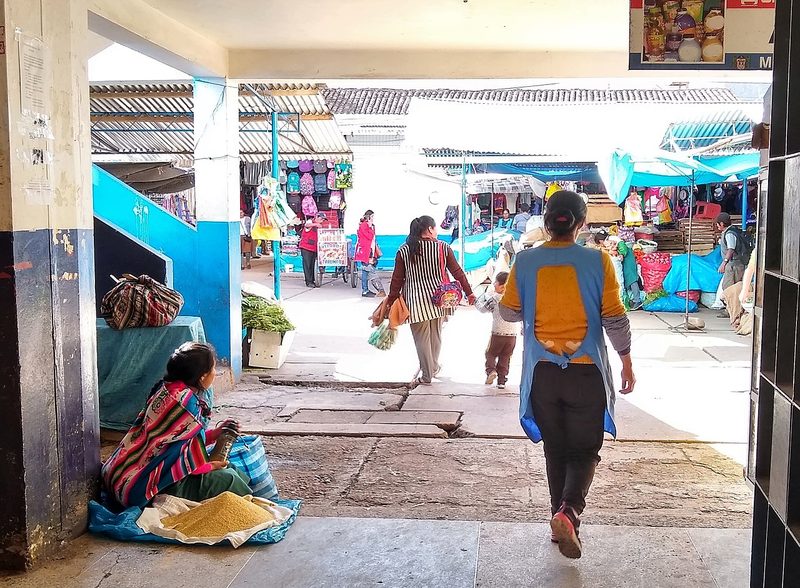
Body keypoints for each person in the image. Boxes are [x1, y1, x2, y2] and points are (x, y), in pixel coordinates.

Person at [499, 191, 635, 560]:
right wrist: (626, 360)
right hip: (586, 373)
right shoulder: (598, 260)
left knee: (555, 449)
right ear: (581, 223)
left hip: (542, 373)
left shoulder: (525, 261)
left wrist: (533, 301)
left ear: (546, 223)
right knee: (584, 449)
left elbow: (508, 313)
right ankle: (569, 512)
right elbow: (614, 318)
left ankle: (557, 520)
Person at [101, 343, 250, 508]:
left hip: (120, 474)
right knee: (230, 479)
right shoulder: (188, 406)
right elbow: (186, 463)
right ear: (202, 376)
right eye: (213, 368)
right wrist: (210, 466)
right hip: (142, 490)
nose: (215, 373)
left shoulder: (167, 389)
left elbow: (176, 444)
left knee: (231, 468)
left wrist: (216, 433)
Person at [387, 216, 476, 385]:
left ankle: (427, 375)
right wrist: (469, 292)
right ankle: (432, 367)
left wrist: (391, 300)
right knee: (436, 335)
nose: (437, 231)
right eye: (435, 228)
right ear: (429, 229)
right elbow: (457, 272)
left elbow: (397, 279)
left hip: (414, 301)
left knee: (422, 338)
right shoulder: (443, 247)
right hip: (440, 298)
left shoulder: (404, 250)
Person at [476, 271, 517, 389]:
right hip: (512, 335)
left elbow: (482, 309)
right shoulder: (514, 299)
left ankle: (491, 371)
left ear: (502, 286)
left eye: (496, 282)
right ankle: (501, 381)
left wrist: (476, 301)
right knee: (505, 357)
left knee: (490, 353)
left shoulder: (494, 299)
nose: (493, 284)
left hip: (497, 334)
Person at [716, 212, 751, 316]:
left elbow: (731, 249)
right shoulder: (732, 231)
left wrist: (724, 263)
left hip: (734, 265)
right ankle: (733, 310)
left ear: (722, 224)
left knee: (729, 288)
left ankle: (731, 311)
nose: (717, 226)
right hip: (736, 264)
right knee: (732, 288)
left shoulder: (730, 234)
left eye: (717, 224)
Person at [355, 210, 380, 298]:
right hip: (365, 251)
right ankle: (365, 290)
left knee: (366, 270)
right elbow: (369, 236)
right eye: (372, 217)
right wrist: (370, 228)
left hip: (368, 250)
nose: (373, 219)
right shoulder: (364, 225)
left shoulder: (369, 225)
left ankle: (366, 289)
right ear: (368, 217)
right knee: (365, 270)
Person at [299, 212, 326, 288]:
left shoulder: (319, 227)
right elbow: (306, 225)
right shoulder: (310, 221)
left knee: (312, 265)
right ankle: (309, 281)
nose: (322, 221)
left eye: (323, 220)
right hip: (306, 247)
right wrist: (315, 224)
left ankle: (313, 280)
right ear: (317, 217)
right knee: (307, 265)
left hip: (314, 248)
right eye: (321, 219)